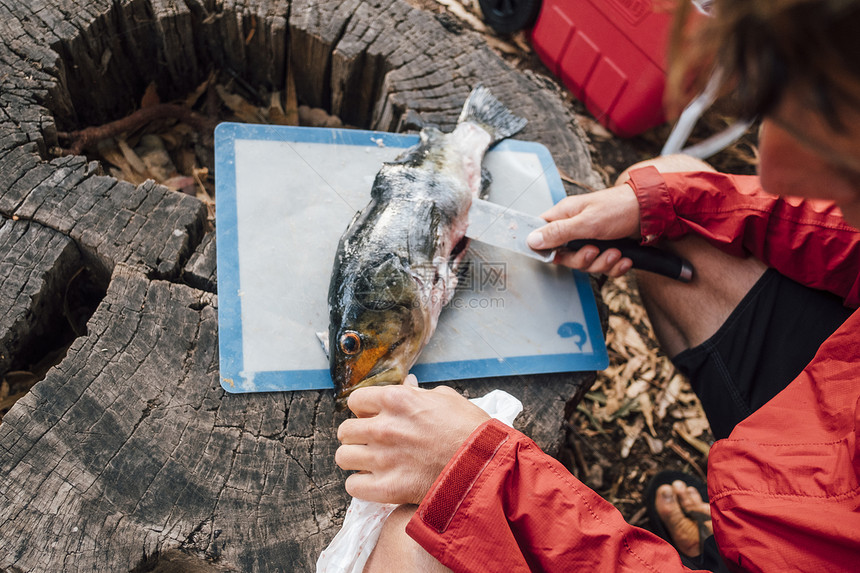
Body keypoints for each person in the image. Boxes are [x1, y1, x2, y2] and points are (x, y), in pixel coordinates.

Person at [334, 0, 860, 570]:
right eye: (779, 115)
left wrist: (485, 476)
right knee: (674, 182)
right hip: (821, 420)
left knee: (406, 542)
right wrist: (671, 204)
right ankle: (730, 535)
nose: (774, 171)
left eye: (838, 148)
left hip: (810, 523)